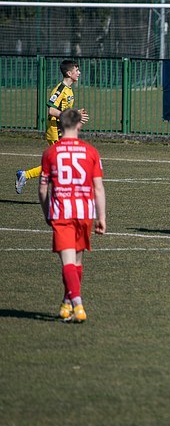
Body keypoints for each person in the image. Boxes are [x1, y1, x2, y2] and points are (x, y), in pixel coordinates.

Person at [37, 109, 106, 323]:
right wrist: (101, 217)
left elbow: (42, 189)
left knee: (67, 262)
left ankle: (78, 305)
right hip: (85, 212)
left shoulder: (50, 153)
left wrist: (47, 212)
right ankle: (66, 303)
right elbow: (98, 188)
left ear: (60, 125)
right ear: (79, 125)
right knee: (76, 262)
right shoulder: (91, 152)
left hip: (62, 213)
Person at [16, 59, 89, 195]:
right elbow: (51, 110)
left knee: (60, 162)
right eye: (76, 70)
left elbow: (63, 110)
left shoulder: (69, 90)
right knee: (61, 162)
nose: (79, 73)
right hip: (55, 130)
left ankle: (25, 175)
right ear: (69, 73)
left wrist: (75, 113)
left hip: (62, 129)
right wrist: (69, 116)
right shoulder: (60, 89)